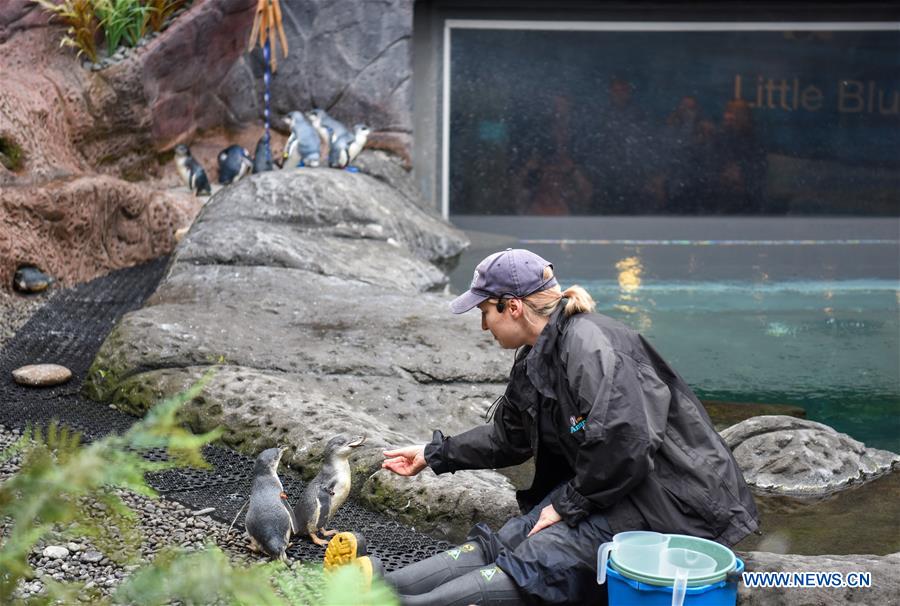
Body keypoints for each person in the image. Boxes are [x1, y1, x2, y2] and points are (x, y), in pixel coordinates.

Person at [325, 248, 760, 605]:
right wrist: (432, 453)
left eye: (484, 312)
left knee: (540, 555)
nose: (482, 325)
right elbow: (508, 437)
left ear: (511, 306)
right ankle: (378, 587)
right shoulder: (539, 354)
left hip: (670, 505)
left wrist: (567, 505)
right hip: (617, 489)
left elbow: (627, 441)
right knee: (510, 539)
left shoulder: (590, 346)